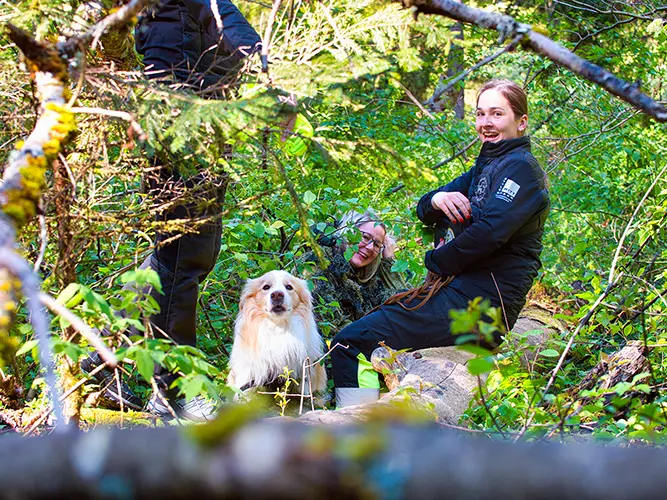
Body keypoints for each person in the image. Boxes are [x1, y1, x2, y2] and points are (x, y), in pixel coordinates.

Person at [82, 0, 261, 421]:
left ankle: (102, 353)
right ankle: (174, 391)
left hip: (192, 133)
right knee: (184, 258)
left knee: (173, 255)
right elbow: (221, 16)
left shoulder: (157, 13)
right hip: (184, 137)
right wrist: (260, 59)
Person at [329, 80, 550, 408]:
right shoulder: (487, 166)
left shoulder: (522, 170)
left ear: (521, 122)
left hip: (480, 310)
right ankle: (369, 417)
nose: (486, 122)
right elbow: (424, 210)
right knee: (365, 336)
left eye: (497, 114)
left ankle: (354, 431)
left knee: (348, 342)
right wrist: (438, 197)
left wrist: (435, 261)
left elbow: (490, 234)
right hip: (463, 299)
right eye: (480, 113)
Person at [305, 210, 408, 335]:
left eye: (376, 244)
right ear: (347, 232)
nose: (370, 247)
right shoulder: (317, 263)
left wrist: (388, 262)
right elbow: (332, 326)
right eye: (365, 237)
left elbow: (405, 311)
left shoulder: (369, 280)